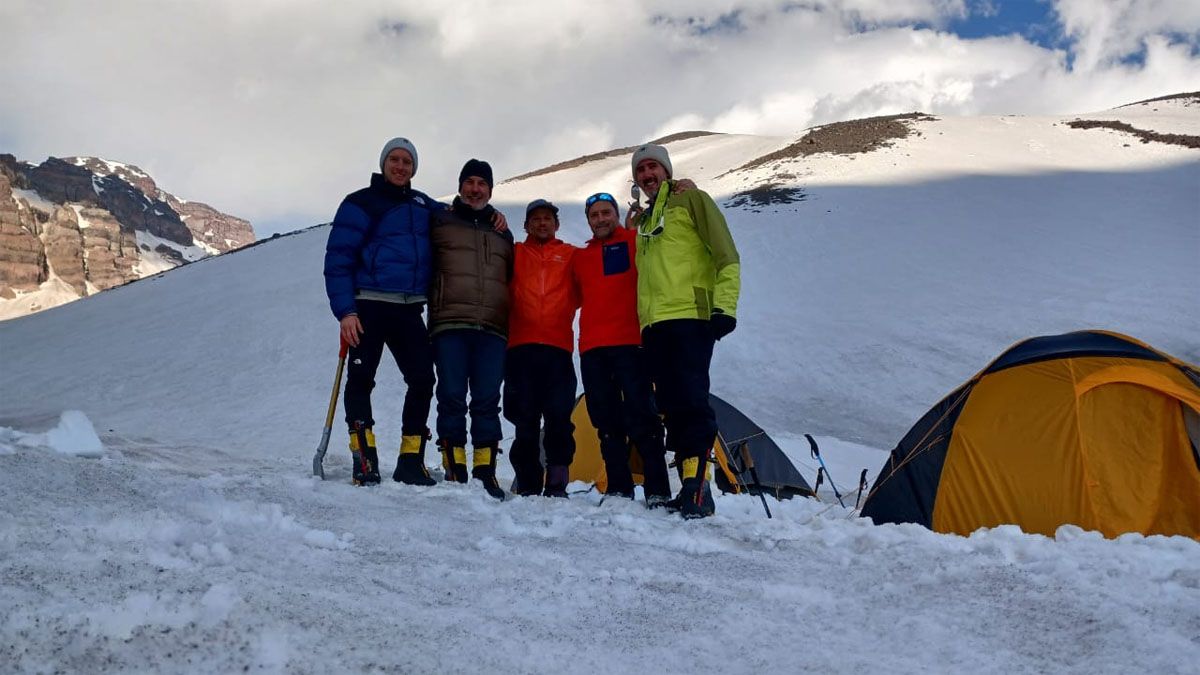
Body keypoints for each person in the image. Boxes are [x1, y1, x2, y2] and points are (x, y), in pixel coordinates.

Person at [627, 144, 740, 518]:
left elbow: (727, 255)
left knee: (692, 399)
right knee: (672, 406)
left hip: (691, 316)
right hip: (654, 324)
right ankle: (690, 483)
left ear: (667, 171)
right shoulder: (642, 222)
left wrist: (725, 307)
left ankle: (699, 489)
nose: (647, 175)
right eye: (641, 170)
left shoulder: (693, 200)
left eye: (653, 167)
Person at [323, 137, 438, 487]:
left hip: (407, 308)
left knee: (422, 378)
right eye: (395, 159)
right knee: (360, 380)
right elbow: (338, 259)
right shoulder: (360, 202)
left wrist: (490, 216)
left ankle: (410, 460)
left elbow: (458, 215)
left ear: (414, 168)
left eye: (407, 161)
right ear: (384, 163)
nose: (400, 166)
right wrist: (345, 311)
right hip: (367, 307)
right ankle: (365, 458)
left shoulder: (423, 205)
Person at [571, 192, 671, 506]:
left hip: (632, 344)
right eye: (594, 215)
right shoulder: (580, 258)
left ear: (616, 214)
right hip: (593, 349)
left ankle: (657, 489)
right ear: (588, 221)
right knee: (606, 422)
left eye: (605, 213)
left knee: (644, 417)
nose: (601, 219)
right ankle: (618, 488)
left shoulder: (635, 242)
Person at [428, 159, 513, 500]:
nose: (475, 189)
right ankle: (454, 465)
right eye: (470, 182)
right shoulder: (440, 221)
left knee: (487, 401)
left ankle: (485, 470)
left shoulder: (502, 232)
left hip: (492, 328)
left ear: (490, 190)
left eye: (482, 184)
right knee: (450, 396)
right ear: (461, 185)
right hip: (450, 322)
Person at [505, 199, 579, 497]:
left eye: (547, 218)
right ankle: (527, 482)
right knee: (524, 420)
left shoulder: (572, 255)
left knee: (559, 418)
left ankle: (558, 481)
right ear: (526, 226)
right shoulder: (513, 254)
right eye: (535, 219)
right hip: (519, 349)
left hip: (558, 350)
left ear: (556, 224)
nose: (542, 223)